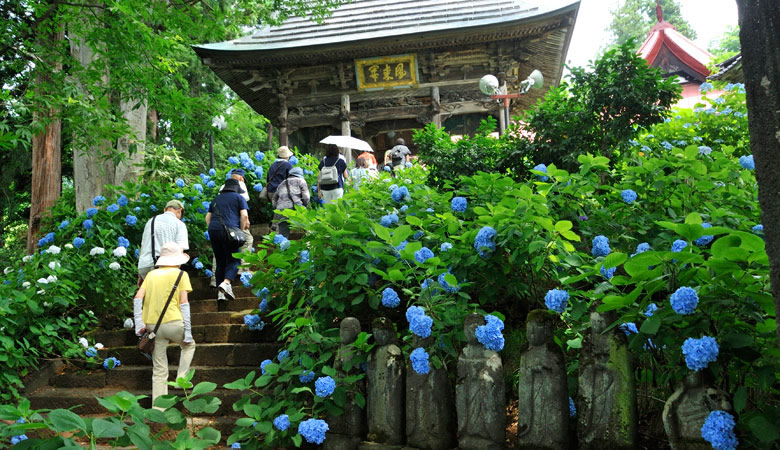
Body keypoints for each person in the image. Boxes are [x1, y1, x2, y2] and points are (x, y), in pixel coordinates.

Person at [132, 241, 195, 408]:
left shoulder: (151, 275)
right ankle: (181, 377)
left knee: (159, 369)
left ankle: (159, 408)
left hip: (154, 327)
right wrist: (187, 331)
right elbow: (184, 303)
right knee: (188, 346)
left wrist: (139, 324)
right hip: (174, 323)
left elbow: (138, 298)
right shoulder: (181, 275)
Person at [205, 178, 249, 301]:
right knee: (235, 259)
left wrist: (213, 230)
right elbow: (244, 215)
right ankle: (226, 282)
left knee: (220, 261)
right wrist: (239, 230)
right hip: (230, 231)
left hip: (213, 231)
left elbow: (207, 218)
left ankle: (221, 294)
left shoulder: (216, 199)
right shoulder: (238, 197)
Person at [211, 169, 253, 289]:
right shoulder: (240, 186)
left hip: (216, 226)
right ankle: (242, 270)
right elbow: (244, 211)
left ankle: (215, 279)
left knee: (219, 255)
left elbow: (208, 217)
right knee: (246, 240)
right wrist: (241, 228)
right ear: (241, 178)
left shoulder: (222, 188)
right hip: (233, 224)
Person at [137, 199, 189, 287]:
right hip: (163, 266)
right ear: (179, 210)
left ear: (165, 210)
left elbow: (143, 246)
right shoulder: (179, 224)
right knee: (164, 297)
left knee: (151, 296)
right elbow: (179, 250)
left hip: (144, 265)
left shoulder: (150, 221)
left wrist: (140, 275)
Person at [272, 167, 311, 238]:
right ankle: (308, 247)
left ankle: (282, 248)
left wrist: (277, 207)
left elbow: (274, 198)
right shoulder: (301, 181)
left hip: (281, 210)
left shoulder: (282, 183)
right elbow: (306, 197)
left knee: (283, 234)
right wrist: (303, 206)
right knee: (307, 228)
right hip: (295, 208)